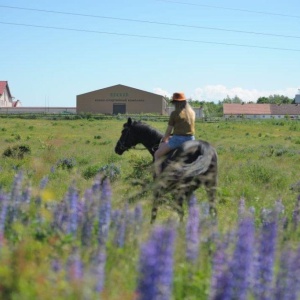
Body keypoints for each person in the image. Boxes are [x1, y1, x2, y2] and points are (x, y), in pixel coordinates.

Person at [154, 92, 196, 176]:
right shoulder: (191, 113)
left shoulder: (174, 113)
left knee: (157, 154)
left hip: (178, 140)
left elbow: (169, 130)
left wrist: (165, 139)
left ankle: (158, 178)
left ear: (175, 103)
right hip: (191, 139)